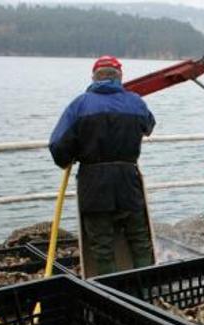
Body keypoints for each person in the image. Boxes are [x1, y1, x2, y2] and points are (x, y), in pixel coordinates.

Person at [49, 55, 157, 277]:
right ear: (120, 77)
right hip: (128, 178)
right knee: (139, 239)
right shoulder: (136, 102)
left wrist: (69, 157)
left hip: (94, 181)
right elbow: (148, 126)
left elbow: (58, 145)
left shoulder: (80, 105)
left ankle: (110, 293)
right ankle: (147, 289)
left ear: (93, 77)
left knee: (102, 245)